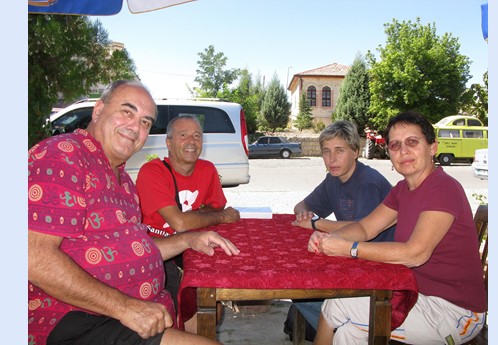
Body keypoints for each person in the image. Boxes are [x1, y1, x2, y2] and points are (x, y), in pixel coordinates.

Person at [28, 80, 240, 345]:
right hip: (75, 317)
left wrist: (187, 240)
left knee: (202, 314)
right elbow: (31, 255)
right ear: (98, 110)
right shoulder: (62, 155)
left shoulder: (123, 180)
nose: (135, 127)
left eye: (145, 122)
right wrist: (125, 307)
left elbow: (134, 249)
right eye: (126, 112)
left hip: (131, 310)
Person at [308, 111, 487, 345]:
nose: (403, 151)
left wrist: (350, 249)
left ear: (433, 147)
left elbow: (416, 253)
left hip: (455, 311)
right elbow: (365, 228)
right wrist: (326, 237)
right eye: (395, 145)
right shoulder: (403, 189)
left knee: (338, 303)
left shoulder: (443, 188)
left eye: (412, 142)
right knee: (346, 332)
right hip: (414, 293)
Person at [284, 120, 396, 341]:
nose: (331, 159)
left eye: (339, 151)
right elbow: (301, 206)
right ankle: (340, 330)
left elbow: (363, 227)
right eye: (326, 151)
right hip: (352, 258)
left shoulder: (368, 183)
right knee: (298, 290)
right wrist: (306, 215)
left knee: (304, 291)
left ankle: (354, 330)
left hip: (379, 268)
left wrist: (317, 224)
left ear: (355, 152)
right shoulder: (333, 179)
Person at [135, 114, 240, 332]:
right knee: (179, 318)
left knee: (213, 306)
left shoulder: (207, 169)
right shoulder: (152, 172)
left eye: (197, 136)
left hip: (193, 250)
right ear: (168, 143)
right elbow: (181, 223)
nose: (191, 141)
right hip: (160, 254)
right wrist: (212, 217)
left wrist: (198, 216)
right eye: (183, 135)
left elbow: (215, 206)